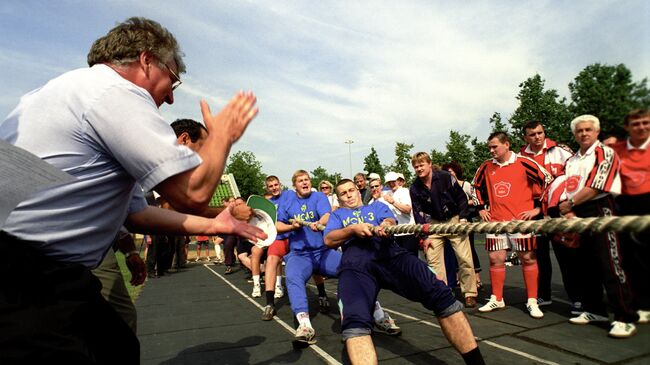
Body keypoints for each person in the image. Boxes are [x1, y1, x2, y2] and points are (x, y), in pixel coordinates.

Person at [0, 17, 264, 363]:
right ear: (146, 60)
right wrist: (223, 137)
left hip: (38, 267)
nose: (170, 97)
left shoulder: (67, 91)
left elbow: (137, 214)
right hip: (26, 276)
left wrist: (218, 225)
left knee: (117, 346)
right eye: (172, 79)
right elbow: (193, 192)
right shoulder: (115, 93)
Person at [324, 179, 485, 365]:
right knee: (355, 321)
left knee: (441, 293)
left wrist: (385, 225)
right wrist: (352, 229)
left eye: (351, 190)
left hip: (390, 254)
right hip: (356, 263)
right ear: (339, 198)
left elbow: (390, 220)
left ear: (359, 192)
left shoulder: (376, 207)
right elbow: (328, 239)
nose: (349, 195)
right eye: (343, 193)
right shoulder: (338, 216)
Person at [277, 170, 399, 345]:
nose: (304, 183)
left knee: (353, 270)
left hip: (323, 251)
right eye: (300, 181)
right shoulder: (287, 200)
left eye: (307, 180)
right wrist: (292, 227)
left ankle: (378, 314)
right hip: (300, 255)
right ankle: (304, 326)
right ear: (294, 184)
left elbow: (327, 215)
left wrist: (319, 222)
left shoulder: (318, 196)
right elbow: (277, 224)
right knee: (293, 277)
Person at [558, 115, 639, 338]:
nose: (584, 133)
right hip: (577, 212)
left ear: (596, 131)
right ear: (575, 134)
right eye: (579, 131)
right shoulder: (572, 160)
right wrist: (569, 210)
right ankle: (595, 310)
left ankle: (625, 316)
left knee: (610, 263)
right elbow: (568, 187)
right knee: (585, 264)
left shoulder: (605, 152)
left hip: (602, 207)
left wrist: (571, 203)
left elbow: (598, 185)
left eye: (588, 130)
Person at [471, 132, 552, 318]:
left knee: (528, 259)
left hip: (521, 222)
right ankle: (497, 298)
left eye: (494, 146)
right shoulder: (485, 166)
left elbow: (547, 180)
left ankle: (532, 300)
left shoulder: (524, 162)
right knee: (495, 259)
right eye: (489, 147)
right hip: (496, 223)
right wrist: (480, 208)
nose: (491, 150)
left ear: (506, 145)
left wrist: (538, 209)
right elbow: (475, 187)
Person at [409, 152, 478, 308]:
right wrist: (424, 236)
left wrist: (463, 218)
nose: (419, 169)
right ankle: (443, 292)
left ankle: (469, 293)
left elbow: (461, 197)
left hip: (453, 218)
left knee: (464, 258)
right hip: (434, 223)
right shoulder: (415, 188)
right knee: (433, 261)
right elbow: (417, 212)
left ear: (429, 164)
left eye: (421, 165)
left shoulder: (445, 177)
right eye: (416, 166)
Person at [518, 120, 574, 308]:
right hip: (533, 212)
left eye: (540, 133)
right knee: (539, 256)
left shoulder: (561, 151)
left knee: (566, 255)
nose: (537, 137)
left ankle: (577, 299)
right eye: (532, 134)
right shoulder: (519, 157)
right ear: (525, 137)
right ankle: (543, 295)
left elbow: (574, 178)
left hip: (558, 208)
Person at [611, 109, 650, 325]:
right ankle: (641, 302)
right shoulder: (615, 148)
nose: (641, 127)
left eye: (646, 123)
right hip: (626, 205)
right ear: (627, 127)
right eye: (636, 124)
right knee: (629, 258)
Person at [442, 162, 483, 291]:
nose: (450, 174)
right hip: (451, 221)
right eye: (447, 172)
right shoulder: (445, 186)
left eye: (451, 171)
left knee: (469, 249)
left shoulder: (465, 185)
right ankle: (458, 279)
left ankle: (476, 279)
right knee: (454, 252)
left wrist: (463, 202)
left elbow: (475, 199)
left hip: (465, 219)